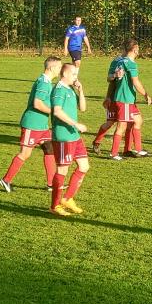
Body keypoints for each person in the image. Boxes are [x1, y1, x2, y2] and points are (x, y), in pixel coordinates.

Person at [0, 56, 62, 193]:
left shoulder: (46, 81)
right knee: (25, 154)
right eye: (58, 67)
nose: (60, 70)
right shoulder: (44, 83)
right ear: (51, 68)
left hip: (42, 125)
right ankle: (6, 180)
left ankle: (51, 184)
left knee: (49, 149)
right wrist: (54, 112)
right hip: (32, 124)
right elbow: (37, 103)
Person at [49, 63, 89, 216]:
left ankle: (68, 198)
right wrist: (76, 124)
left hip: (74, 136)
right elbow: (57, 111)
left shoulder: (70, 88)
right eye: (73, 75)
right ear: (65, 74)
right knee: (62, 170)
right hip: (64, 136)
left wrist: (81, 90)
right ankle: (54, 206)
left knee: (84, 166)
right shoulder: (59, 90)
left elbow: (83, 108)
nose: (75, 77)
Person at [109, 39, 152, 161]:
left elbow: (110, 78)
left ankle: (136, 149)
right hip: (124, 99)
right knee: (121, 126)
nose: (138, 51)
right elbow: (135, 81)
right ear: (134, 49)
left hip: (128, 99)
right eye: (138, 48)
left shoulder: (120, 61)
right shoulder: (131, 64)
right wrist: (145, 94)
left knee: (137, 121)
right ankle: (113, 153)